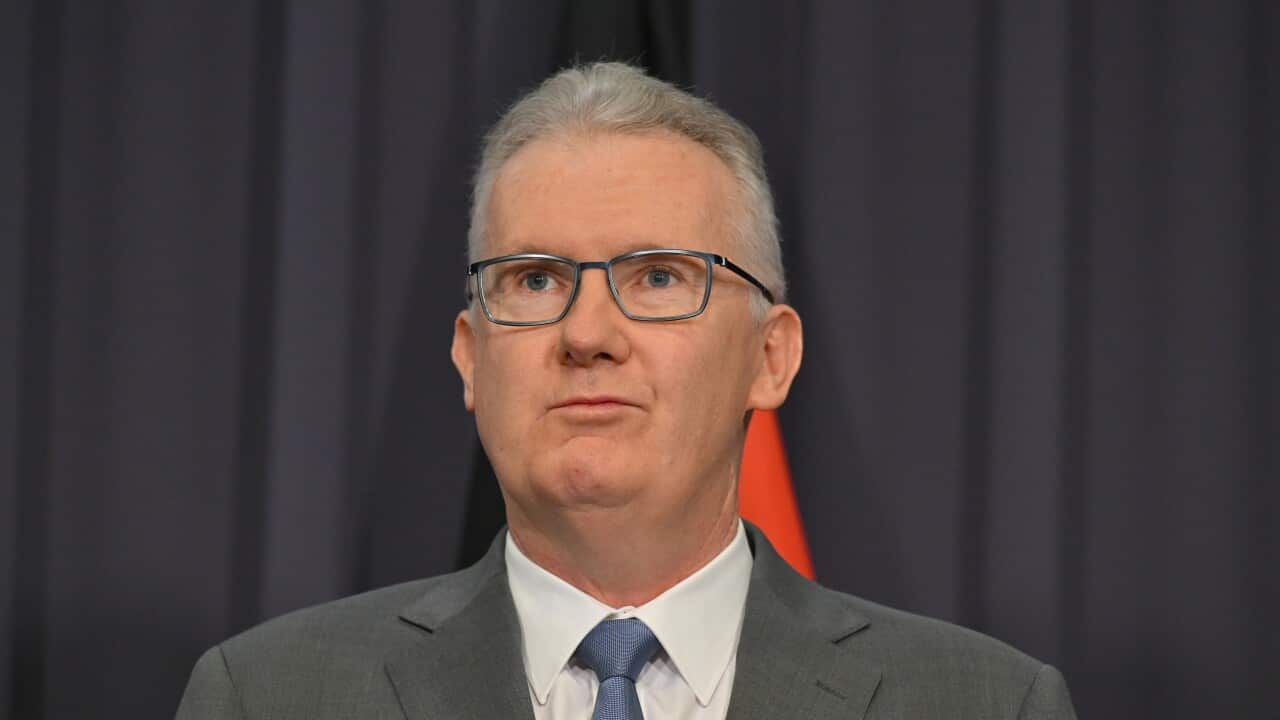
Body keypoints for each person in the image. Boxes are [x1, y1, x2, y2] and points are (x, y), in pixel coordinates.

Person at [176, 62, 1076, 720]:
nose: (587, 335)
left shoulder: (991, 704)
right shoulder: (268, 696)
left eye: (656, 279)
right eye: (533, 279)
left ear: (772, 355)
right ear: (469, 359)